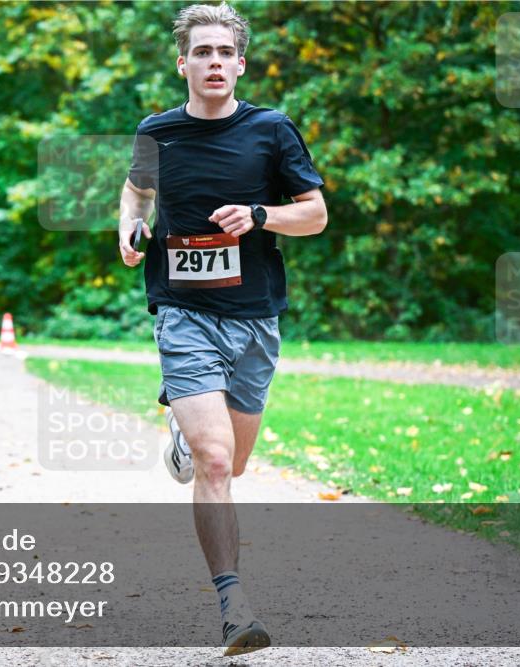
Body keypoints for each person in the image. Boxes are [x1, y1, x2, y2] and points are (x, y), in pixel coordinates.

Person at [117, 3, 327, 657]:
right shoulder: (158, 131)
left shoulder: (271, 130)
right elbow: (136, 190)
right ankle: (235, 607)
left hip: (255, 318)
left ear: (240, 63)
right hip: (182, 311)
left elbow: (315, 213)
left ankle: (184, 431)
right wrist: (129, 228)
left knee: (230, 461)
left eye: (223, 52)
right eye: (201, 51)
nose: (213, 61)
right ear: (184, 63)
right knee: (216, 463)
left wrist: (261, 215)